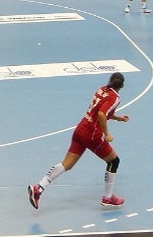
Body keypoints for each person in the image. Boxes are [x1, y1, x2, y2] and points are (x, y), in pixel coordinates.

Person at [27, 73, 130, 209]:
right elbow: (101, 114)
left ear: (110, 81)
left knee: (67, 164)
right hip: (92, 134)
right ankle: (108, 197)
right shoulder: (115, 97)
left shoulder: (102, 89)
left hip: (81, 129)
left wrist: (118, 118)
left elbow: (100, 111)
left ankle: (39, 188)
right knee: (113, 161)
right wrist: (107, 134)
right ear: (122, 85)